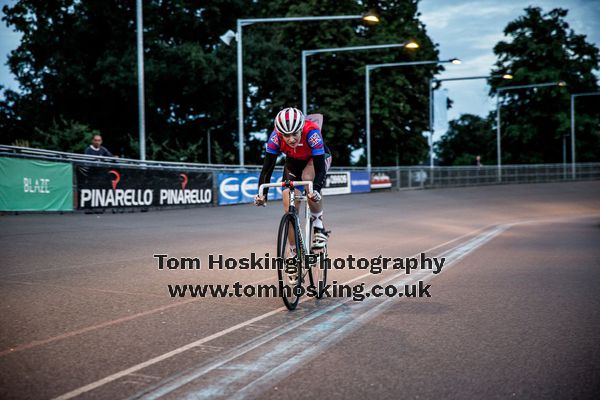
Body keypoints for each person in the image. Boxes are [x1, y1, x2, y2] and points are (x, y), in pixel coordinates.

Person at [255, 107, 331, 250]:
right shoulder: (275, 137)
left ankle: (318, 226)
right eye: (286, 135)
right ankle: (295, 253)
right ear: (280, 133)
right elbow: (267, 169)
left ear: (301, 129)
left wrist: (316, 190)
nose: (291, 139)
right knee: (289, 203)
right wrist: (262, 195)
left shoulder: (312, 133)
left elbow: (320, 169)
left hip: (315, 159)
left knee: (308, 179)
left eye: (295, 134)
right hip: (294, 161)